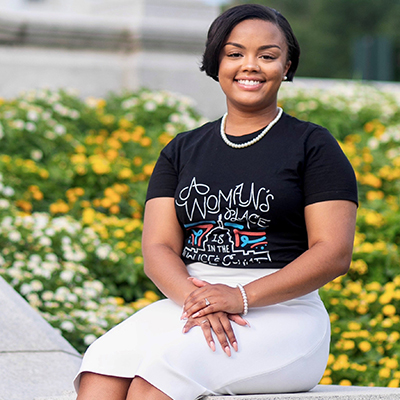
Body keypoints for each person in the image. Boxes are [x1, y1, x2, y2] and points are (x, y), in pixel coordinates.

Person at [74, 4, 358, 400]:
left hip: (284, 312)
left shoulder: (314, 146)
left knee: (156, 382)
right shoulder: (182, 149)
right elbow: (158, 248)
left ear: (287, 64)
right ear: (216, 61)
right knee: (102, 368)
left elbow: (334, 253)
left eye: (268, 55)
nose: (251, 65)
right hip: (189, 300)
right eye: (235, 53)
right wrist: (200, 300)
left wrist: (239, 297)